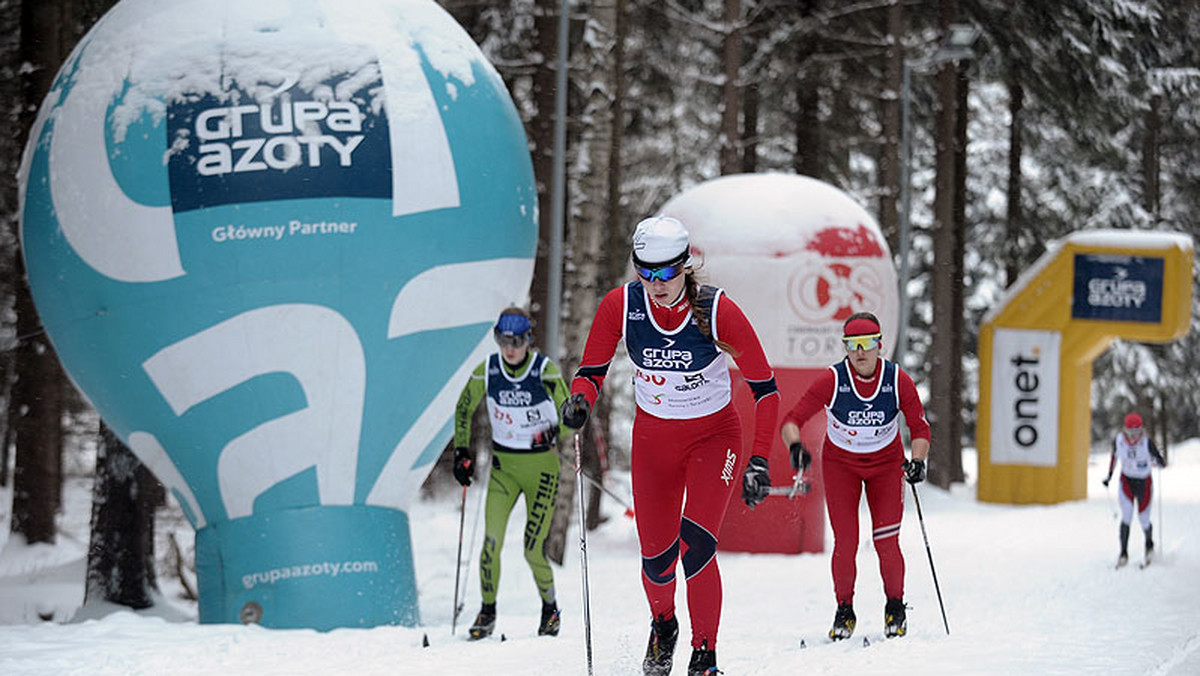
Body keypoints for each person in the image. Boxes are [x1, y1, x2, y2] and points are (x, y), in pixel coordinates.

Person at [560, 216, 779, 676]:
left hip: (715, 438)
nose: (656, 284)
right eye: (646, 272)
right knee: (657, 562)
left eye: (665, 273)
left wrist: (759, 458)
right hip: (654, 442)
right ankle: (664, 624)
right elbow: (591, 372)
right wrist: (580, 400)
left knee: (696, 546)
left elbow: (766, 389)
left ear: (685, 266)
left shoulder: (719, 311)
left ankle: (705, 656)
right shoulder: (620, 305)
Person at [767, 312, 930, 641]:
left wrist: (917, 460)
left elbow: (919, 425)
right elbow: (791, 419)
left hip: (886, 466)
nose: (860, 352)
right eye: (852, 345)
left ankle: (895, 607)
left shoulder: (897, 380)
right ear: (844, 347)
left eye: (867, 344)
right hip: (842, 465)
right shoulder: (833, 379)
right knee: (846, 543)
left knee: (886, 541)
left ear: (880, 345)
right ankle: (845, 610)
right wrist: (795, 446)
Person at [452, 307, 571, 640]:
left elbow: (569, 414)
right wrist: (462, 451)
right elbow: (463, 406)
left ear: (527, 340)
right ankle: (487, 612)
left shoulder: (544, 370)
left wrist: (557, 429)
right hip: (504, 470)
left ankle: (550, 610)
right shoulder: (487, 371)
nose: (510, 348)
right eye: (503, 341)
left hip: (542, 472)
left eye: (516, 341)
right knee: (490, 544)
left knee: (533, 550)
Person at [1102, 412, 1166, 567]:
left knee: (1144, 519)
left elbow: (1161, 461)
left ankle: (1149, 547)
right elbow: (1114, 458)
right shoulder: (1119, 441)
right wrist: (1109, 476)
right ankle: (1123, 553)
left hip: (1144, 483)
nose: (1133, 437)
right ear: (1124, 431)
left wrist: (1159, 461)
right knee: (1127, 516)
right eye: (1130, 433)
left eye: (1136, 433)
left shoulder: (1146, 442)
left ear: (1141, 431)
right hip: (1127, 482)